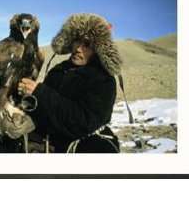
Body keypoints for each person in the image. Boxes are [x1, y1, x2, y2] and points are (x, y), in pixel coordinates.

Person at [18, 13, 122, 153]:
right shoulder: (58, 71)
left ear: (98, 49)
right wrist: (27, 101)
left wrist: (40, 93)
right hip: (48, 140)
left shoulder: (103, 80)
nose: (78, 48)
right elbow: (45, 110)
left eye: (87, 45)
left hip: (85, 145)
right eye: (77, 41)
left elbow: (83, 123)